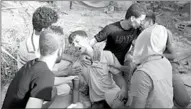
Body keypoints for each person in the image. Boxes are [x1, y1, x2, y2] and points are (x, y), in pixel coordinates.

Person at [112, 12, 190, 108]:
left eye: (142, 22)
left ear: (149, 22)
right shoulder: (139, 32)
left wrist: (153, 56)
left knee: (184, 101)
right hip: (147, 68)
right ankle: (129, 93)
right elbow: (132, 53)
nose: (139, 24)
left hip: (167, 67)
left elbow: (173, 55)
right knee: (132, 68)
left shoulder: (164, 32)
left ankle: (162, 93)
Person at [2, 26, 78, 108]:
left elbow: (46, 80)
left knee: (53, 91)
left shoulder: (32, 64)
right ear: (60, 51)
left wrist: (69, 79)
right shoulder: (45, 75)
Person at [17, 6, 81, 96]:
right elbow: (40, 75)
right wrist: (66, 73)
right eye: (53, 26)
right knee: (65, 88)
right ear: (44, 30)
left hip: (42, 69)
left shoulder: (42, 38)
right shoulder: (31, 51)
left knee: (67, 63)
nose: (56, 28)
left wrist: (73, 59)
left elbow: (55, 51)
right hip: (33, 83)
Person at [68, 30, 128, 108]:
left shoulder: (106, 55)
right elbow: (76, 88)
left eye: (77, 41)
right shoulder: (77, 64)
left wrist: (124, 89)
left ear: (86, 39)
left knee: (116, 102)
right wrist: (75, 104)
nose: (75, 45)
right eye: (73, 44)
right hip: (97, 102)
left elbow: (118, 76)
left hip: (112, 94)